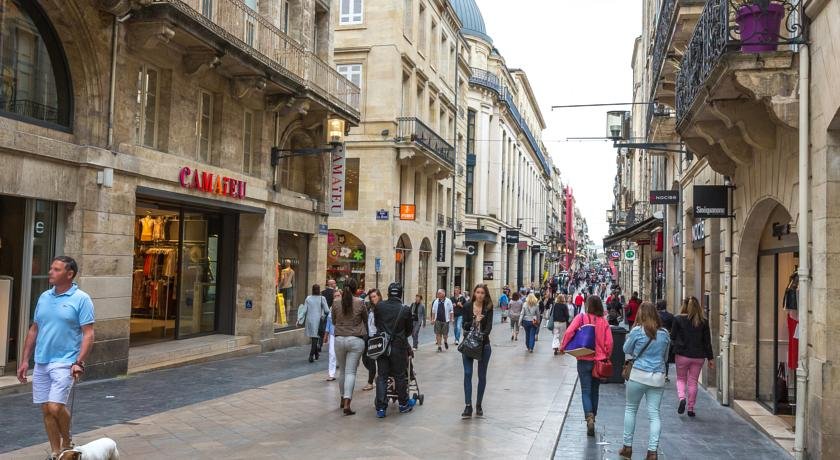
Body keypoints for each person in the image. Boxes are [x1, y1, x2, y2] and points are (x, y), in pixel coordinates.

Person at [17, 256, 95, 459]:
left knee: (55, 406)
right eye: (51, 268)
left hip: (65, 361)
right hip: (42, 361)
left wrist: (79, 362)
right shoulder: (44, 297)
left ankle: (67, 441)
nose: (50, 272)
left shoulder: (81, 299)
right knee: (46, 410)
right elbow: (34, 329)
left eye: (56, 269)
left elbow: (88, 333)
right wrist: (25, 360)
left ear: (69, 274)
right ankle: (55, 452)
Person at [619, 302, 670, 460]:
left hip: (638, 375)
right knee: (654, 414)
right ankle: (652, 451)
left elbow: (626, 350)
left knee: (631, 409)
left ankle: (627, 447)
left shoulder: (637, 331)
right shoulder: (664, 333)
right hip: (657, 377)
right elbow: (666, 357)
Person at [560, 295, 614, 437]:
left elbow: (569, 332)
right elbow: (610, 343)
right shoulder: (604, 321)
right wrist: (606, 355)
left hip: (584, 358)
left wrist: (563, 346)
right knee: (595, 390)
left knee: (585, 389)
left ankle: (588, 417)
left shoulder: (581, 318)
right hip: (599, 361)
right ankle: (593, 417)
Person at [374, 283, 415, 418]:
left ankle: (381, 408)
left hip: (382, 347)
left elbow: (377, 323)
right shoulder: (405, 309)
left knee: (382, 377)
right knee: (400, 376)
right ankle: (403, 404)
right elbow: (409, 330)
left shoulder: (379, 306)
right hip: (398, 347)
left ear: (388, 293)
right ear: (401, 294)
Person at [671, 296, 714, 417]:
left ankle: (681, 398)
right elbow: (707, 341)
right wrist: (710, 358)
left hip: (682, 355)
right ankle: (690, 408)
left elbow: (672, 337)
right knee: (693, 381)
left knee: (680, 379)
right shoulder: (704, 322)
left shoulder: (678, 319)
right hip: (698, 356)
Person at [330, 278, 368, 416]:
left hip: (339, 339)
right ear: (355, 289)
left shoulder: (335, 302)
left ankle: (341, 399)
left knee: (343, 372)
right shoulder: (360, 302)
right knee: (351, 372)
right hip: (355, 340)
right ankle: (347, 402)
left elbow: (334, 320)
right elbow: (365, 319)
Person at [461, 284, 494, 419]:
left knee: (482, 375)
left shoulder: (488, 308)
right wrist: (475, 320)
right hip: (468, 344)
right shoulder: (468, 306)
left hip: (483, 345)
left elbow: (489, 328)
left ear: (485, 295)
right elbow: (464, 325)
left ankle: (479, 404)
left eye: (482, 293)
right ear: (474, 293)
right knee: (468, 373)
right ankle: (468, 405)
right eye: (477, 292)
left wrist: (480, 337)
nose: (480, 295)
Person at [361, 288, 381, 391]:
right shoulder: (369, 307)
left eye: (374, 296)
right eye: (371, 297)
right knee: (365, 359)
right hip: (368, 336)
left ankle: (370, 382)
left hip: (377, 337)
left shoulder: (382, 307)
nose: (373, 299)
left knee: (371, 359)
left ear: (379, 296)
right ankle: (373, 373)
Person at [304, 284, 330, 363]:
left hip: (310, 321)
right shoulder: (322, 298)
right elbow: (327, 310)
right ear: (319, 290)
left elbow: (304, 310)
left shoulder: (308, 298)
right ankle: (311, 355)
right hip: (318, 321)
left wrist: (299, 319)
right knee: (315, 338)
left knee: (313, 338)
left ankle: (316, 354)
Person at [656, 300, 675, 383]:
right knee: (665, 357)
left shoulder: (655, 316)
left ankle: (656, 372)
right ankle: (666, 375)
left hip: (656, 338)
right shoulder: (671, 316)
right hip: (667, 338)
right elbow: (673, 328)